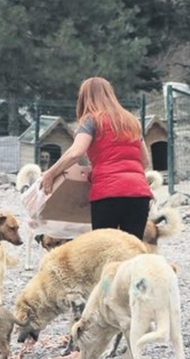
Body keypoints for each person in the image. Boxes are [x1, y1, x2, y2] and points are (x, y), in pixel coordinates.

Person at [39, 77, 152, 241]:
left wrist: (50, 173)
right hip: (139, 194)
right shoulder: (132, 121)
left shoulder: (91, 120)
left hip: (108, 194)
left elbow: (75, 152)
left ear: (85, 98)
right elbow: (145, 161)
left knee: (104, 249)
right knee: (132, 250)